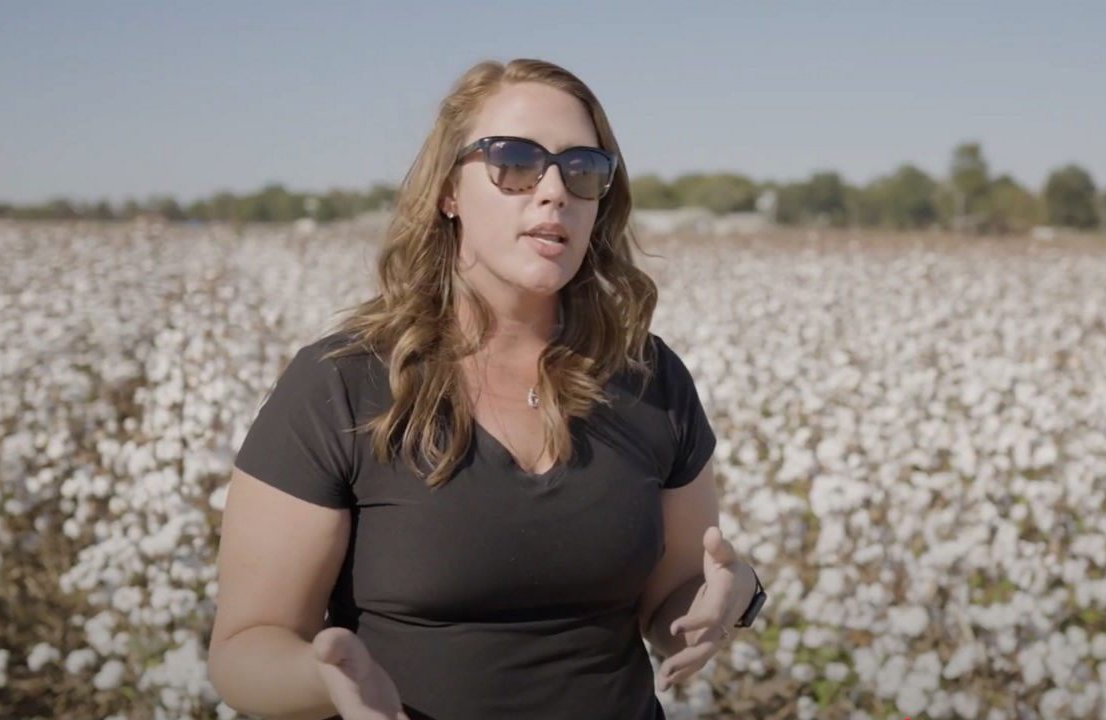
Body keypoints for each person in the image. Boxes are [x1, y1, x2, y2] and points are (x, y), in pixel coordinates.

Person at [206, 57, 767, 720]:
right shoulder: (340, 386)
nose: (554, 190)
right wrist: (325, 679)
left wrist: (729, 594)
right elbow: (244, 649)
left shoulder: (650, 378)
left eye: (583, 169)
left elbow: (673, 603)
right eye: (515, 161)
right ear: (448, 191)